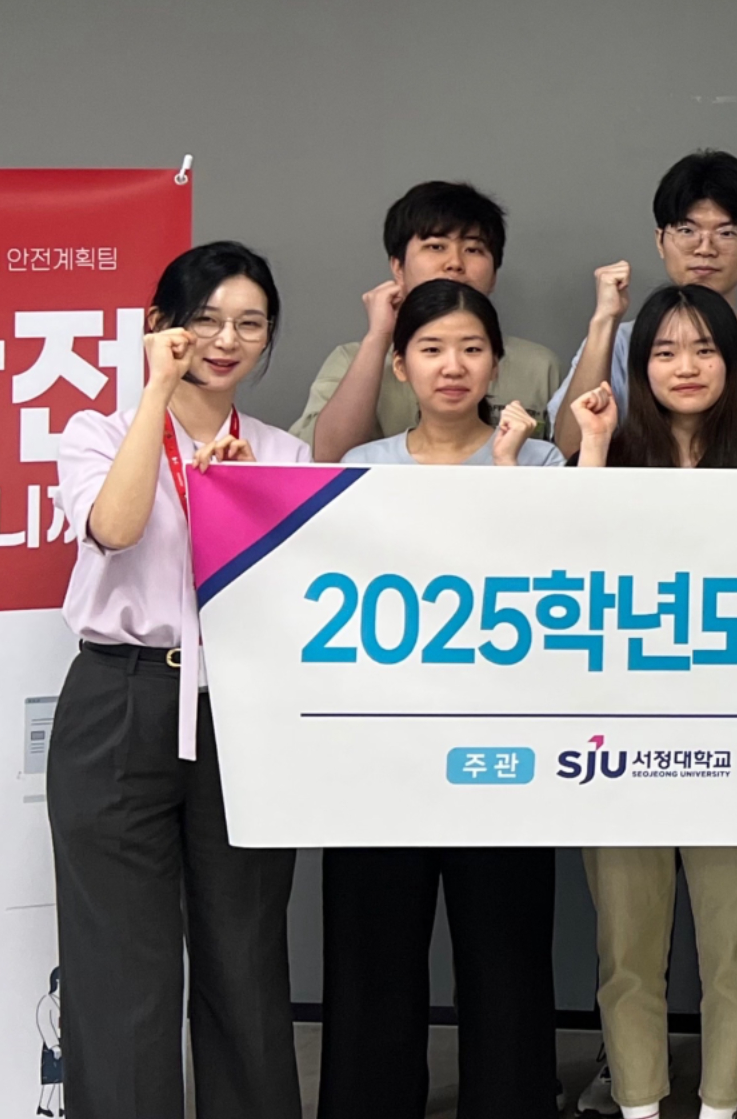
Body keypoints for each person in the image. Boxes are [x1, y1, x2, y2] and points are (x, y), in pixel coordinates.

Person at [47, 241, 305, 1119]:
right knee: (121, 967)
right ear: (161, 326)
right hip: (120, 697)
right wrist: (155, 395)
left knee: (245, 957)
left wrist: (246, 502)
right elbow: (115, 530)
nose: (227, 341)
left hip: (240, 705)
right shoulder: (96, 434)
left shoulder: (282, 453)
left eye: (250, 324)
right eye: (206, 320)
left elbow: (291, 602)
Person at [320, 280, 562, 1119]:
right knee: (372, 956)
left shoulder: (540, 462)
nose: (451, 366)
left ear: (497, 363)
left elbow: (552, 589)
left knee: (506, 956)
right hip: (385, 750)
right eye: (430, 349)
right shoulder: (361, 471)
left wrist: (506, 471)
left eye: (470, 349)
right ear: (400, 365)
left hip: (503, 749)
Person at [570, 284, 737, 1119]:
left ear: (732, 365)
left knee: (736, 946)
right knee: (626, 946)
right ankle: (638, 1103)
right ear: (639, 366)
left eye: (703, 350)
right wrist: (592, 447)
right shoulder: (611, 463)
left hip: (736, 740)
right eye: (664, 351)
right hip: (619, 740)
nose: (685, 366)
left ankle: (726, 1103)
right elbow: (565, 567)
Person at [552, 148, 737, 464]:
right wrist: (604, 322)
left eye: (726, 232)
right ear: (660, 241)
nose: (705, 248)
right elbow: (569, 453)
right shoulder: (618, 344)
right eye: (687, 230)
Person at [294, 179, 566, 461]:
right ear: (398, 267)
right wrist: (378, 338)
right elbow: (327, 463)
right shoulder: (350, 359)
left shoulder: (540, 366)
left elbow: (570, 463)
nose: (455, 263)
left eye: (473, 249)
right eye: (436, 247)